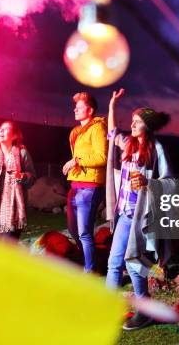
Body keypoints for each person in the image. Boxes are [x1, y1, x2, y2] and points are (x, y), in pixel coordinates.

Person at [104, 89, 174, 330]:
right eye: (132, 121)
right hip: (124, 214)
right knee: (114, 263)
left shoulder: (157, 150)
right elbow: (111, 133)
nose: (131, 124)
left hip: (141, 217)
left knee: (134, 265)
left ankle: (144, 313)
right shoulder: (127, 144)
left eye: (136, 121)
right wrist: (112, 106)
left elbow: (170, 182)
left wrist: (148, 183)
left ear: (147, 126)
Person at [63, 92, 107, 273]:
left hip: (90, 187)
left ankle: (90, 271)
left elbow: (102, 157)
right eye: (75, 106)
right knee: (72, 229)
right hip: (75, 185)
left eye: (79, 107)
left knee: (84, 232)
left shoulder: (97, 128)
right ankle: (91, 260)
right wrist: (73, 164)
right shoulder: (78, 132)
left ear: (89, 110)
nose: (75, 109)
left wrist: (77, 161)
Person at [0, 121, 36, 240]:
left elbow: (32, 178)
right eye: (0, 128)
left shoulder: (22, 153)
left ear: (14, 136)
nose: (1, 130)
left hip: (14, 212)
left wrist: (22, 176)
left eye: (6, 129)